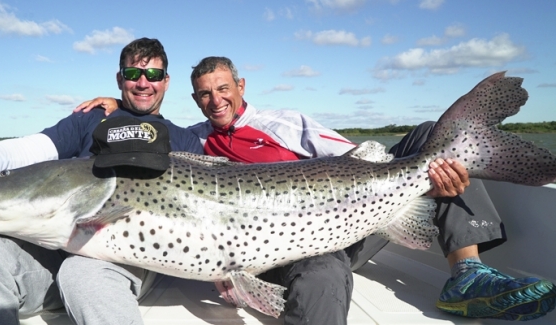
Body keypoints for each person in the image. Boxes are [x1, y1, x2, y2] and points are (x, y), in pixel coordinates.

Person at [76, 56, 555, 323]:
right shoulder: (195, 141)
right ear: (194, 98)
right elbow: (152, 136)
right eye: (203, 93)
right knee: (323, 272)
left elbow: (359, 155)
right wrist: (121, 103)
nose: (215, 100)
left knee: (433, 139)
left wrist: (415, 186)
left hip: (343, 214)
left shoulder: (287, 123)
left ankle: (468, 271)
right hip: (274, 246)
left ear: (241, 86)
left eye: (222, 88)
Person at [0, 37, 204, 325]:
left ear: (165, 80)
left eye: (153, 73)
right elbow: (28, 151)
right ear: (119, 79)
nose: (142, 82)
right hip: (54, 254)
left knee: (82, 272)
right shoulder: (90, 118)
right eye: (133, 72)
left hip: (128, 263)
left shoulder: (184, 140)